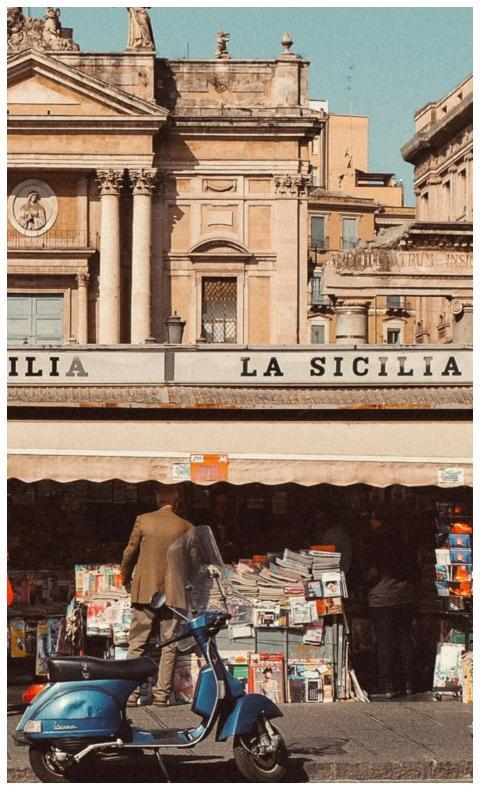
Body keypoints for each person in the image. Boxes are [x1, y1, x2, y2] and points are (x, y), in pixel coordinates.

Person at [120, 483, 193, 706]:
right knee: (169, 644)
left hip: (145, 589)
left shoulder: (143, 520)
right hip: (173, 592)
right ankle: (162, 695)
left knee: (137, 643)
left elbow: (129, 552)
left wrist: (125, 576)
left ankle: (131, 694)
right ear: (177, 502)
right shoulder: (187, 526)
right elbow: (191, 561)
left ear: (157, 500)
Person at [363, 507, 420, 700]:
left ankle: (387, 685)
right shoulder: (405, 542)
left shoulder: (375, 542)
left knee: (384, 642)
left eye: (374, 518)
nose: (371, 522)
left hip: (382, 598)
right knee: (405, 639)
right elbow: (416, 570)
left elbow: (371, 572)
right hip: (405, 597)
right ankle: (409, 683)